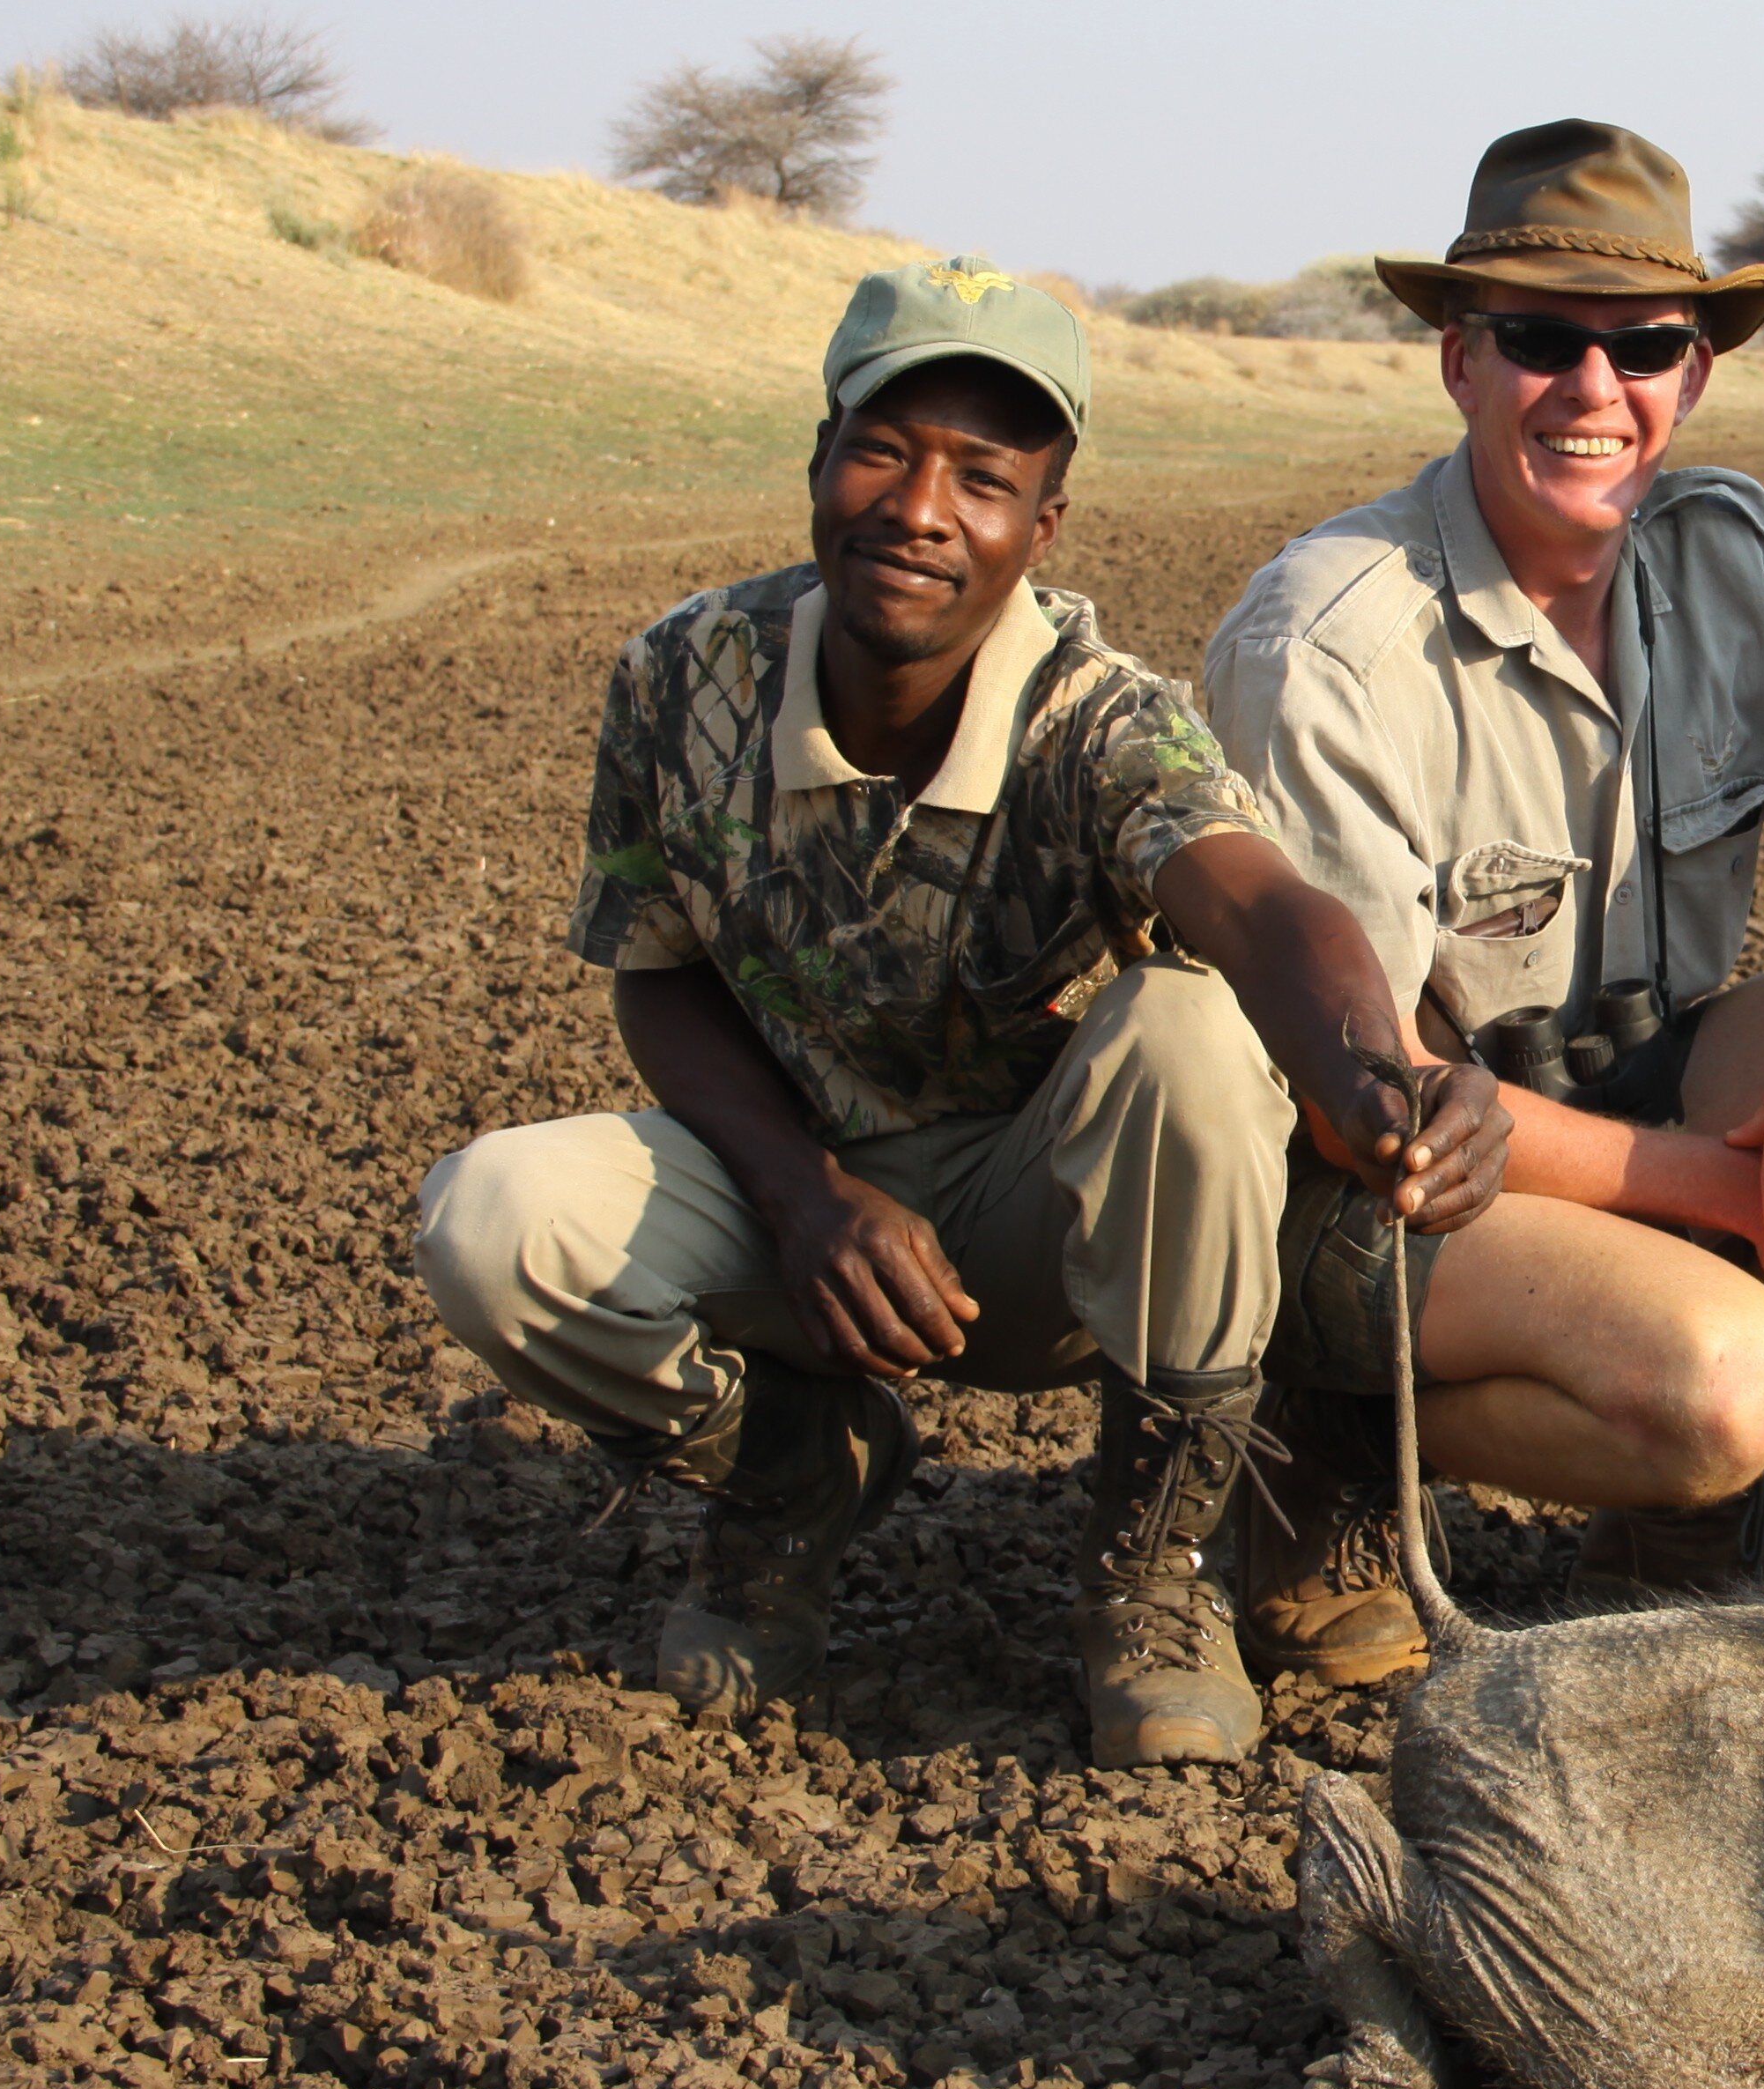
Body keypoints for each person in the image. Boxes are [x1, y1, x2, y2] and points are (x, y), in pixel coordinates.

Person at [415, 258, 1507, 1767]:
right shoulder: (686, 678)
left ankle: (1155, 1564)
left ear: (1041, 527)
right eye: (882, 450)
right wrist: (806, 1201)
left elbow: (1259, 905)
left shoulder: (1096, 713)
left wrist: (1385, 1072)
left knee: (1187, 1032)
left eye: (983, 478)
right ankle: (795, 1468)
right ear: (818, 465)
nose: (920, 508)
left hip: (1043, 1231)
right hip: (797, 1204)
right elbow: (656, 969)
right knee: (493, 1217)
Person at [1204, 120, 1764, 1648]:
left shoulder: (1729, 563)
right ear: (1460, 359)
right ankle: (1311, 1441)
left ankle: (1672, 1538)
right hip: (1379, 1167)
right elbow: (1371, 1091)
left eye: (1645, 347)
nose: (1595, 391)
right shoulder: (1331, 640)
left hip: (1621, 1084)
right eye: (1543, 341)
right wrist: (1762, 1202)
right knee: (1731, 1379)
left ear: (1696, 375)